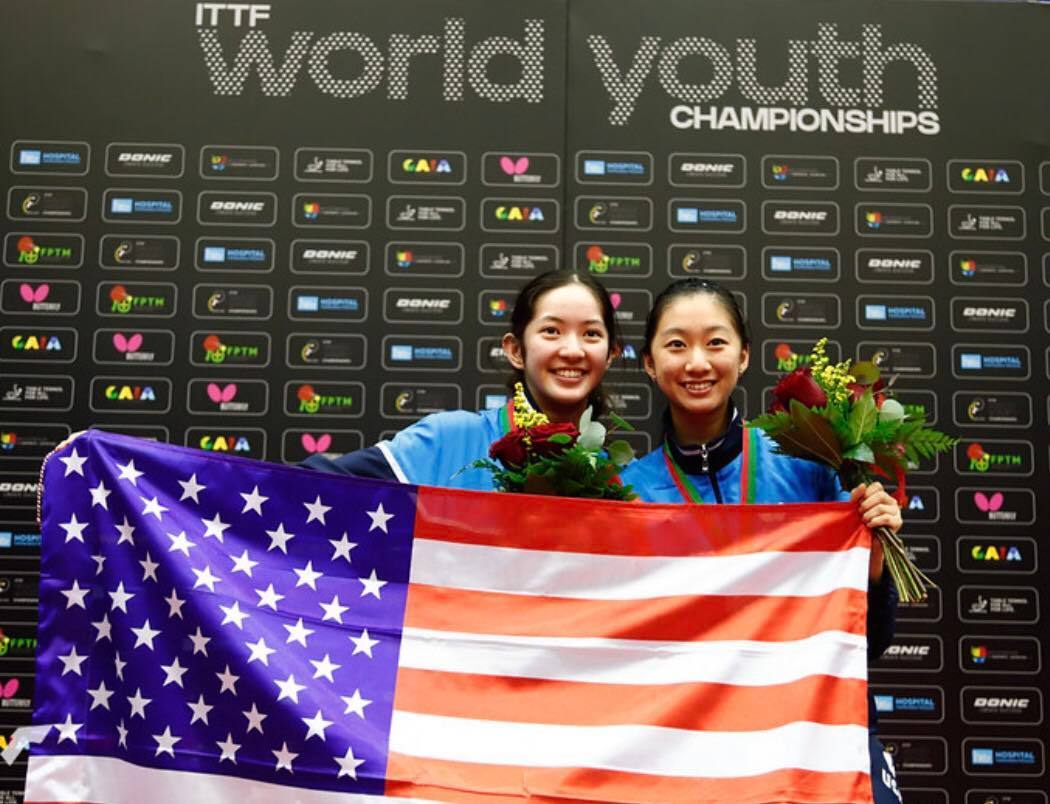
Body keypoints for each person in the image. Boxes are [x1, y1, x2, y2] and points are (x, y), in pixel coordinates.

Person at [620, 277, 903, 804]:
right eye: (677, 344)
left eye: (716, 342)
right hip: (685, 747)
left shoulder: (811, 466)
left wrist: (874, 564)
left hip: (815, 733)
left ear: (744, 356)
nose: (697, 362)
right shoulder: (626, 496)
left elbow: (871, 643)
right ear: (649, 363)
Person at [303, 269, 621, 488]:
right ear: (515, 350)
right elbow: (308, 488)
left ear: (610, 354)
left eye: (591, 334)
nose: (572, 349)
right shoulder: (448, 440)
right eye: (551, 331)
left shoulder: (613, 479)